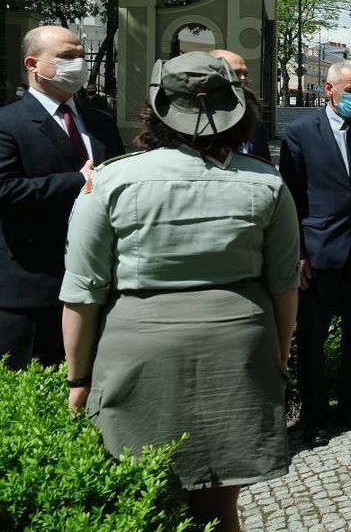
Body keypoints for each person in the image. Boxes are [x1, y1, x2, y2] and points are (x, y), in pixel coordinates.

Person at [60, 52, 299, 532]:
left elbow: (83, 292)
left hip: (139, 351)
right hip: (239, 348)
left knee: (151, 500)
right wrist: (280, 355)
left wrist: (77, 379)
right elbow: (284, 285)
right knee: (221, 506)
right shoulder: (266, 182)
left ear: (155, 107)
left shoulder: (110, 180)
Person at [280, 59, 351, 447]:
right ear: (329, 90)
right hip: (318, 254)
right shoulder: (299, 133)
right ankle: (315, 417)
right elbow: (291, 200)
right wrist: (297, 254)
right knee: (312, 342)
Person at [0, 26, 124, 367]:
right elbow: (6, 190)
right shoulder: (8, 123)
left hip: (96, 281)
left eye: (81, 56)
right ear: (33, 64)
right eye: (67, 57)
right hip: (32, 289)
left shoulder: (100, 122)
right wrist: (75, 181)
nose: (79, 64)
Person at [210, 49, 272, 163]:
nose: (243, 79)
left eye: (245, 74)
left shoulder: (255, 125)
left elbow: (264, 164)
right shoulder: (197, 122)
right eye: (236, 73)